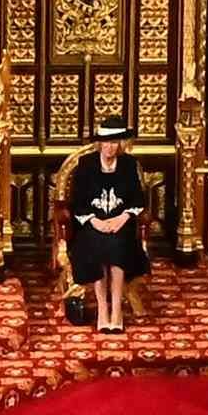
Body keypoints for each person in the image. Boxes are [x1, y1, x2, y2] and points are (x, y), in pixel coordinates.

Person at [60, 115, 159, 332]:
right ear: (99, 143)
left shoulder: (129, 165)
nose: (109, 147)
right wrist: (95, 221)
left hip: (121, 224)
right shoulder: (86, 164)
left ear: (121, 144)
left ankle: (116, 310)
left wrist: (122, 218)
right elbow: (78, 201)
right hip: (92, 224)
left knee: (117, 245)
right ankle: (103, 310)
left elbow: (137, 199)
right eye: (106, 142)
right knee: (97, 245)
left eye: (114, 142)